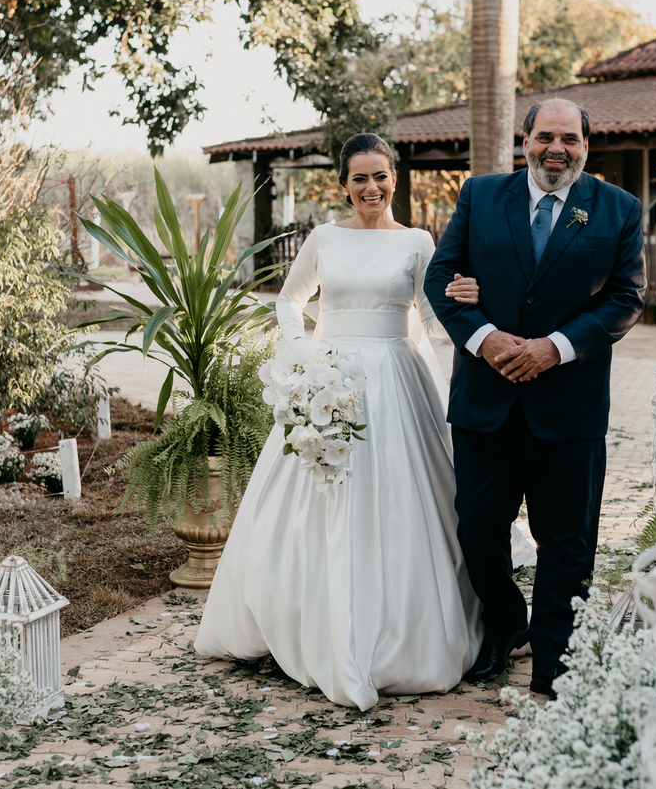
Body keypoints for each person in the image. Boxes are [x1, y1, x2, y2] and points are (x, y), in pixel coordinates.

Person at [195, 133, 485, 710]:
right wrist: (301, 356)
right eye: (360, 178)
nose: (371, 188)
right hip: (329, 381)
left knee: (403, 501)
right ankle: (303, 621)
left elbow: (432, 317)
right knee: (314, 497)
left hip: (397, 380)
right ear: (344, 186)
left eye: (380, 176)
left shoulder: (417, 241)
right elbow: (288, 301)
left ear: (394, 179)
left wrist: (472, 315)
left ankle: (401, 632)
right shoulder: (325, 238)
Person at [423, 98, 646, 699]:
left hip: (569, 404)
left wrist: (554, 348)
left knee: (567, 541)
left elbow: (626, 297)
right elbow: (440, 276)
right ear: (525, 140)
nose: (557, 149)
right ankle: (505, 626)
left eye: (570, 139)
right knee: (478, 529)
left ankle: (555, 659)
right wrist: (486, 338)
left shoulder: (619, 208)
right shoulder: (479, 196)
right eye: (546, 136)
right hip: (485, 399)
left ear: (586, 145)